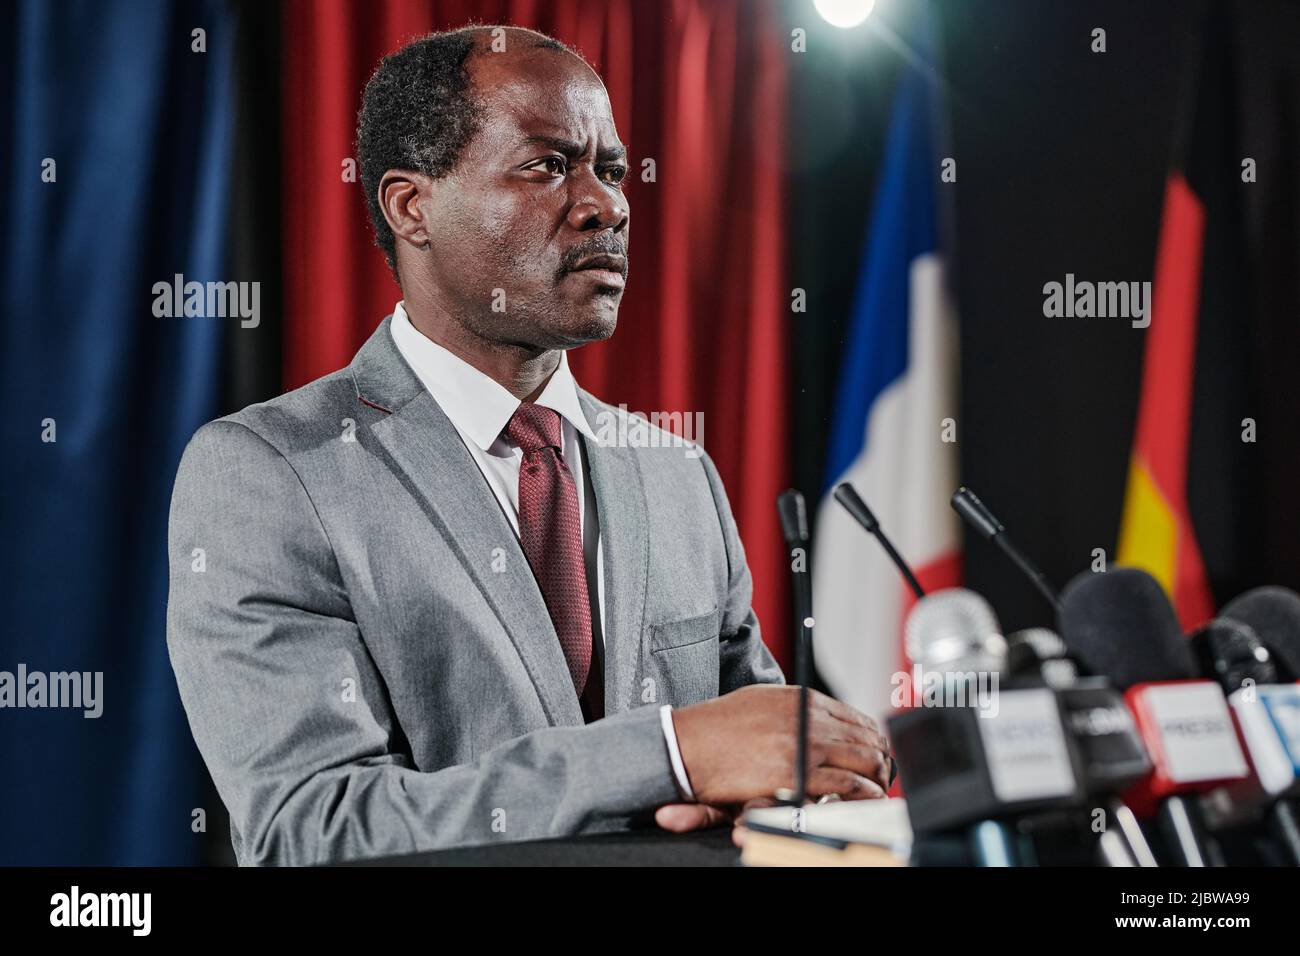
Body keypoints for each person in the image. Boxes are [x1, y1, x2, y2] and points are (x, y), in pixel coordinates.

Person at [166, 24, 890, 866]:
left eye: (610, 170)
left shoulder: (677, 473)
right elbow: (314, 830)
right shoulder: (271, 473)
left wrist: (817, 768)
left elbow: (756, 751)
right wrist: (665, 757)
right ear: (412, 207)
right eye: (549, 165)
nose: (608, 204)